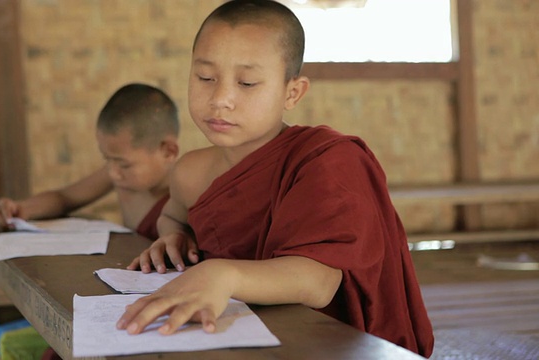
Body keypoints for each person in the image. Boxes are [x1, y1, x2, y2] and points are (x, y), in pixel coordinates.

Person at [116, 1, 434, 357]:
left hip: (318, 344)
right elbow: (173, 214)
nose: (220, 99)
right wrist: (173, 234)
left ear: (292, 93)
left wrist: (225, 275)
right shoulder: (190, 171)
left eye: (247, 82)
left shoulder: (324, 161)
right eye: (205, 77)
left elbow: (319, 282)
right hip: (225, 338)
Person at [0, 83, 180, 241]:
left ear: (168, 151)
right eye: (107, 159)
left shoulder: (187, 192)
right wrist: (21, 209)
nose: (113, 173)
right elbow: (65, 198)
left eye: (124, 164)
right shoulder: (122, 176)